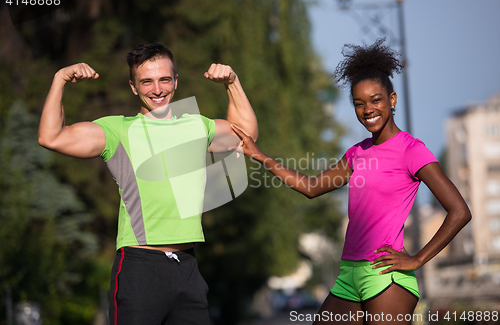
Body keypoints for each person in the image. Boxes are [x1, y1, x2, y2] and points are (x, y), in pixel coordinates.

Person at [230, 39, 471, 324]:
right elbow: (310, 187)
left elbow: (460, 211)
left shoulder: (412, 150)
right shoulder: (357, 153)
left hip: (386, 276)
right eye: (359, 103)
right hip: (349, 274)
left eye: (376, 100)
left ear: (392, 100)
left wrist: (417, 259)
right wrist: (260, 156)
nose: (368, 109)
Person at [38, 43, 258, 325]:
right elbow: (51, 137)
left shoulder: (197, 126)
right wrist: (60, 79)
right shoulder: (116, 130)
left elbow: (247, 135)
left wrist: (232, 83)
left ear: (175, 81)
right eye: (147, 81)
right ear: (133, 87)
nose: (157, 89)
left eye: (164, 79)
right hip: (140, 269)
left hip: (188, 268)